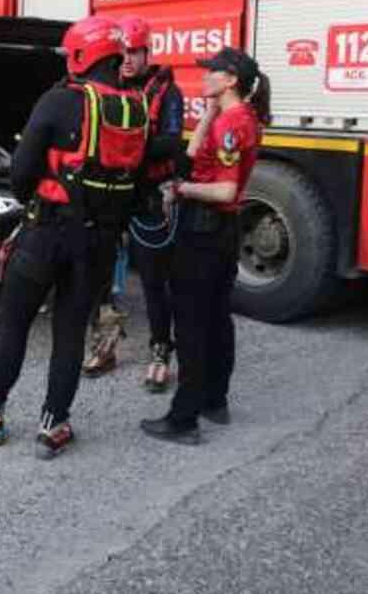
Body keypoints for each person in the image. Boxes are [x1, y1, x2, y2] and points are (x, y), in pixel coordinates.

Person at [0, 17, 149, 460]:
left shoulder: (59, 101)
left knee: (14, 322)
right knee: (71, 330)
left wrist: (33, 201)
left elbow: (21, 171)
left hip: (48, 233)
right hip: (101, 243)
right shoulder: (137, 109)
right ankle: (55, 423)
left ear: (79, 55)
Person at [141, 47, 269, 446]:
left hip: (204, 231)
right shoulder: (233, 117)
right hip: (221, 230)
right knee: (216, 317)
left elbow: (227, 188)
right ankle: (216, 401)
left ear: (230, 79)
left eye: (213, 71)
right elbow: (193, 153)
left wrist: (181, 188)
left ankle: (184, 419)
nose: (206, 75)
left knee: (193, 322)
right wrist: (210, 111)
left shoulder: (234, 125)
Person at [82, 16, 185, 390]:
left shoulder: (166, 92)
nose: (127, 59)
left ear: (146, 52)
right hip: (111, 194)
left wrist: (126, 145)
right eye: (122, 51)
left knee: (154, 278)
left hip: (147, 195)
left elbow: (172, 142)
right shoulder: (106, 88)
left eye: (134, 51)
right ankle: (105, 345)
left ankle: (161, 349)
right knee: (101, 276)